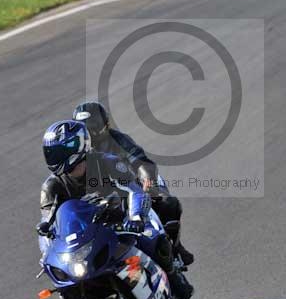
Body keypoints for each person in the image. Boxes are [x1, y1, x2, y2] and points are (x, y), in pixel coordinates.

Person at [40, 119, 193, 299]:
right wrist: (47, 251)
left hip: (124, 221)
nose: (57, 157)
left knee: (155, 240)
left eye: (61, 151)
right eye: (53, 152)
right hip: (87, 237)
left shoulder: (108, 163)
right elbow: (48, 223)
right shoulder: (51, 186)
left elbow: (135, 192)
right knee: (66, 284)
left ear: (80, 146)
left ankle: (173, 276)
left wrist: (136, 216)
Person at [72, 101, 194, 265]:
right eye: (85, 127)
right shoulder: (76, 151)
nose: (91, 131)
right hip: (99, 196)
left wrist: (146, 179)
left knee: (168, 204)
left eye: (93, 125)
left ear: (105, 124)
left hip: (131, 185)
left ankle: (176, 247)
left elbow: (140, 160)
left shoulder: (118, 140)